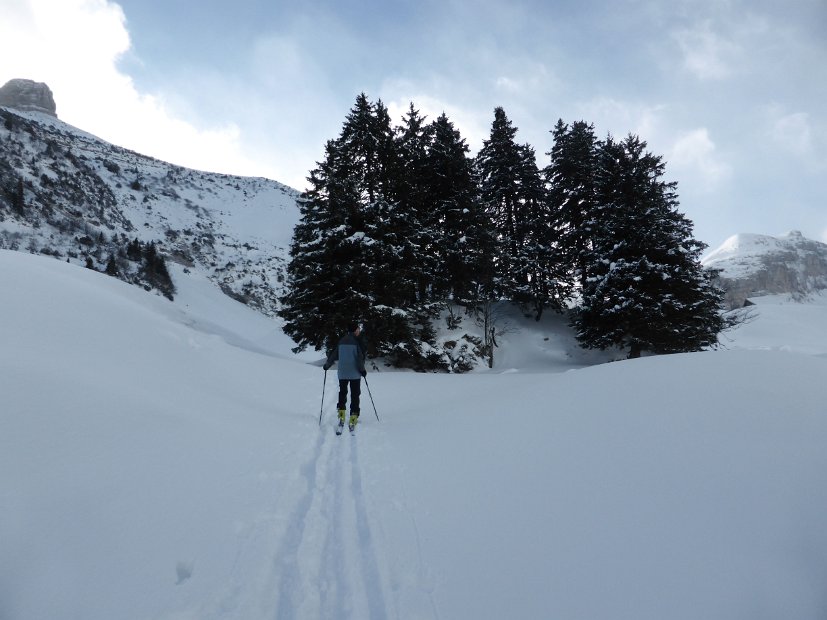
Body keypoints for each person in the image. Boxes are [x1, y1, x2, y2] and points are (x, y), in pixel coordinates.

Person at [323, 322, 367, 431]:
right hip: (355, 373)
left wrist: (327, 365)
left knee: (342, 392)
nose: (359, 330)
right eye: (358, 329)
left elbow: (334, 354)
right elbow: (359, 358)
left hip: (342, 373)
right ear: (355, 330)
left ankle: (341, 414)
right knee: (355, 394)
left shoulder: (342, 341)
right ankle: (353, 416)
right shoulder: (357, 342)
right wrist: (362, 370)